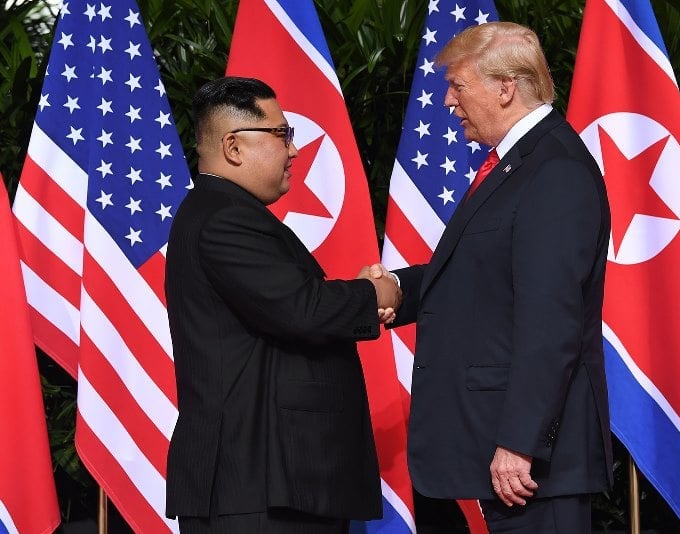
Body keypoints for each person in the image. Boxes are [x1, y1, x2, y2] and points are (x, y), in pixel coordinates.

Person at [372, 22, 613, 532]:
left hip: (532, 465)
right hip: (504, 455)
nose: (447, 101)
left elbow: (550, 320)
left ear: (506, 87)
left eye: (458, 85)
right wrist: (396, 286)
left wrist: (521, 441)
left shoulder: (554, 170)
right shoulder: (516, 166)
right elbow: (479, 278)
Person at [164, 76, 400, 533]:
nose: (294, 150)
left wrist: (363, 295)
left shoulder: (223, 212)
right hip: (258, 487)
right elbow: (303, 311)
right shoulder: (226, 219)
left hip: (266, 485)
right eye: (282, 134)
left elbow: (288, 304)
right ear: (233, 146)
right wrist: (377, 293)